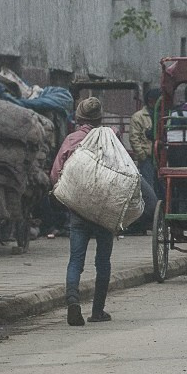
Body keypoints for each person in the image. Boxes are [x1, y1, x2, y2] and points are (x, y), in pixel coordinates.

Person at [51, 97, 114, 326]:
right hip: (105, 210)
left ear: (79, 118)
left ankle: (73, 302)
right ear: (99, 119)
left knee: (75, 260)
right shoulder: (110, 140)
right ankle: (98, 311)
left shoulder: (71, 139)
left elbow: (55, 174)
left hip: (78, 210)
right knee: (103, 261)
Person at [126, 88, 161, 233]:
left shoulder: (161, 114)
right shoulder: (139, 116)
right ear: (151, 101)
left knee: (160, 190)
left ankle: (157, 221)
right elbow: (134, 138)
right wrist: (142, 155)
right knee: (149, 192)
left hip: (160, 159)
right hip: (147, 159)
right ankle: (146, 222)